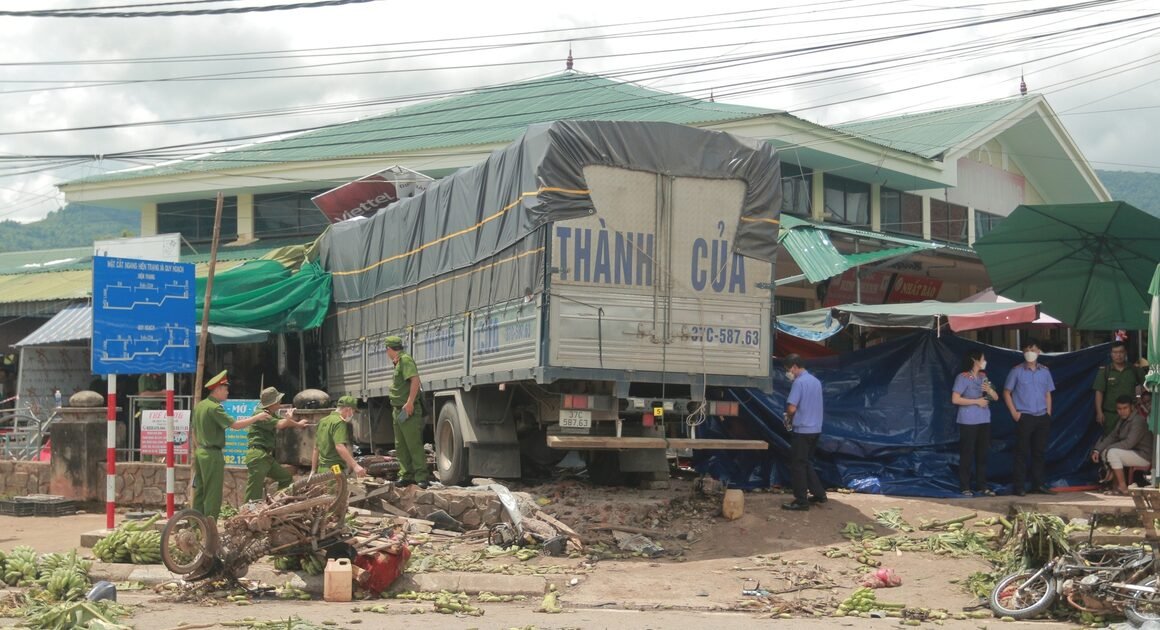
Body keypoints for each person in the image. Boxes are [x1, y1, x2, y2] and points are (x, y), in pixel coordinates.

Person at [191, 370, 281, 518]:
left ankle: (195, 524)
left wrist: (199, 448)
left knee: (200, 490)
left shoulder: (200, 405)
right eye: (225, 389)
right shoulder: (214, 408)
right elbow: (236, 425)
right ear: (218, 389)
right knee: (213, 493)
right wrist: (257, 417)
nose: (227, 393)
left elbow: (193, 431)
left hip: (200, 452)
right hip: (212, 454)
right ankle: (210, 527)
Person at [1003, 339, 1056, 496]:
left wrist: (1048, 413)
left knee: (1039, 452)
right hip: (1024, 416)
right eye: (1026, 350)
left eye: (1032, 349)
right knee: (1021, 452)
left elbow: (1048, 393)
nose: (1029, 353)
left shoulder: (1045, 371)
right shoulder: (1017, 371)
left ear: (1039, 351)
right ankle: (1019, 486)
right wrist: (1014, 412)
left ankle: (1038, 484)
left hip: (1042, 416)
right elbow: (1006, 392)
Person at [243, 387, 309, 502]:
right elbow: (280, 424)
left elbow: (282, 421)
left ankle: (276, 504)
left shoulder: (270, 414)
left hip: (266, 456)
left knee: (286, 478)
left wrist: (298, 424)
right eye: (278, 401)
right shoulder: (262, 415)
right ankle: (246, 515)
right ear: (272, 403)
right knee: (254, 490)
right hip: (257, 455)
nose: (280, 403)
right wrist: (289, 419)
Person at [781, 354, 827, 511]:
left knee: (798, 465)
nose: (789, 373)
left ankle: (801, 501)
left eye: (788, 370)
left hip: (802, 430)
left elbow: (792, 407)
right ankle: (820, 494)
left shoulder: (799, 383)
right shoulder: (816, 382)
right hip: (816, 429)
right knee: (806, 462)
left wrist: (788, 416)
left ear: (794, 366)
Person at [951, 350, 999, 497]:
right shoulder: (963, 377)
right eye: (983, 358)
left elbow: (995, 398)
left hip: (984, 418)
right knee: (967, 452)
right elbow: (955, 399)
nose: (984, 361)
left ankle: (982, 485)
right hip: (968, 420)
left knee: (982, 453)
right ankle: (965, 486)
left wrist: (989, 391)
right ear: (975, 360)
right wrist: (976, 401)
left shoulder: (983, 377)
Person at [386, 335, 429, 488]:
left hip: (407, 409)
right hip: (398, 411)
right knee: (401, 445)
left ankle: (421, 477)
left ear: (389, 349)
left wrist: (410, 402)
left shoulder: (405, 360)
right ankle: (406, 475)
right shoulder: (398, 362)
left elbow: (415, 380)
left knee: (413, 444)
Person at [1091, 395, 1153, 495]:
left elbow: (1129, 443)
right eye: (1119, 409)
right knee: (1111, 452)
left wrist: (1107, 449)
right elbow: (1112, 437)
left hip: (1144, 456)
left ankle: (1123, 487)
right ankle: (1115, 487)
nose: (1122, 411)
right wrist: (1097, 450)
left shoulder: (1138, 421)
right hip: (1132, 453)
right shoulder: (1122, 421)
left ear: (1132, 408)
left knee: (1113, 453)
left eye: (1125, 408)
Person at [1092, 341, 1144, 436]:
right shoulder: (1105, 371)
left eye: (1121, 352)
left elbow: (1142, 385)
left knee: (1131, 440)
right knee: (1110, 440)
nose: (1118, 355)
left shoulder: (1134, 369)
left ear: (1125, 353)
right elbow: (1099, 392)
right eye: (1115, 352)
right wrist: (1099, 412)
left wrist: (1138, 396)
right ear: (1111, 354)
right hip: (1111, 415)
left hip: (1131, 415)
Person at [312, 395, 366, 477]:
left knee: (326, 489)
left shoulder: (322, 421)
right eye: (353, 412)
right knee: (339, 488)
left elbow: (316, 448)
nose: (352, 415)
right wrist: (355, 466)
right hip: (335, 469)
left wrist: (313, 470)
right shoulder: (340, 422)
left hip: (321, 470)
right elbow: (339, 446)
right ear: (349, 410)